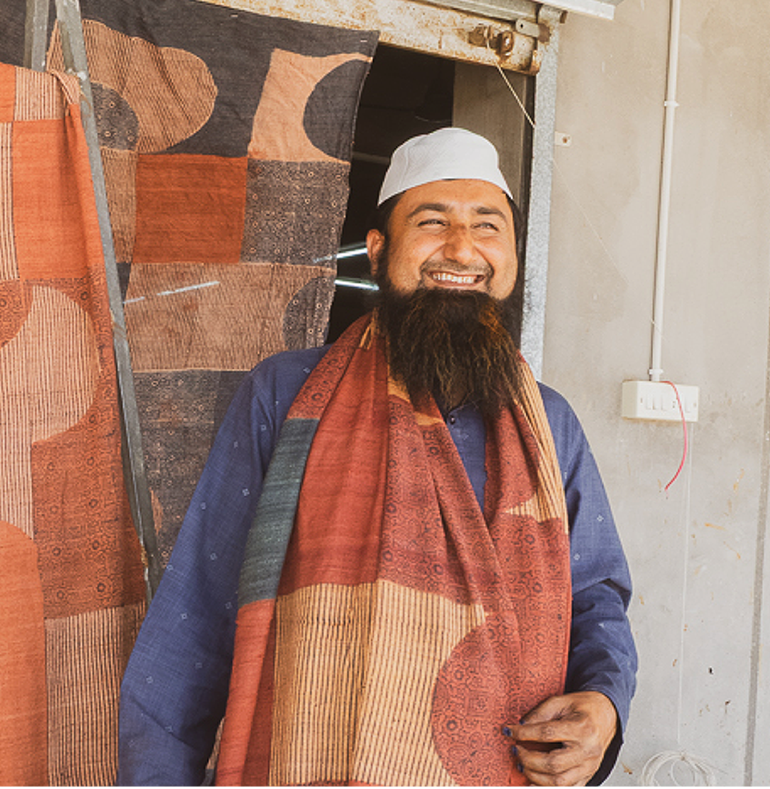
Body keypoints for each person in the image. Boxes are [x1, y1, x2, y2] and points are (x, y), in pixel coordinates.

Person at [116, 128, 637, 787]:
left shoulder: (549, 423)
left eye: (487, 226)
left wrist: (604, 704)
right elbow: (197, 611)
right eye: (433, 222)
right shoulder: (287, 395)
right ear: (379, 248)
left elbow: (594, 597)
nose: (461, 248)